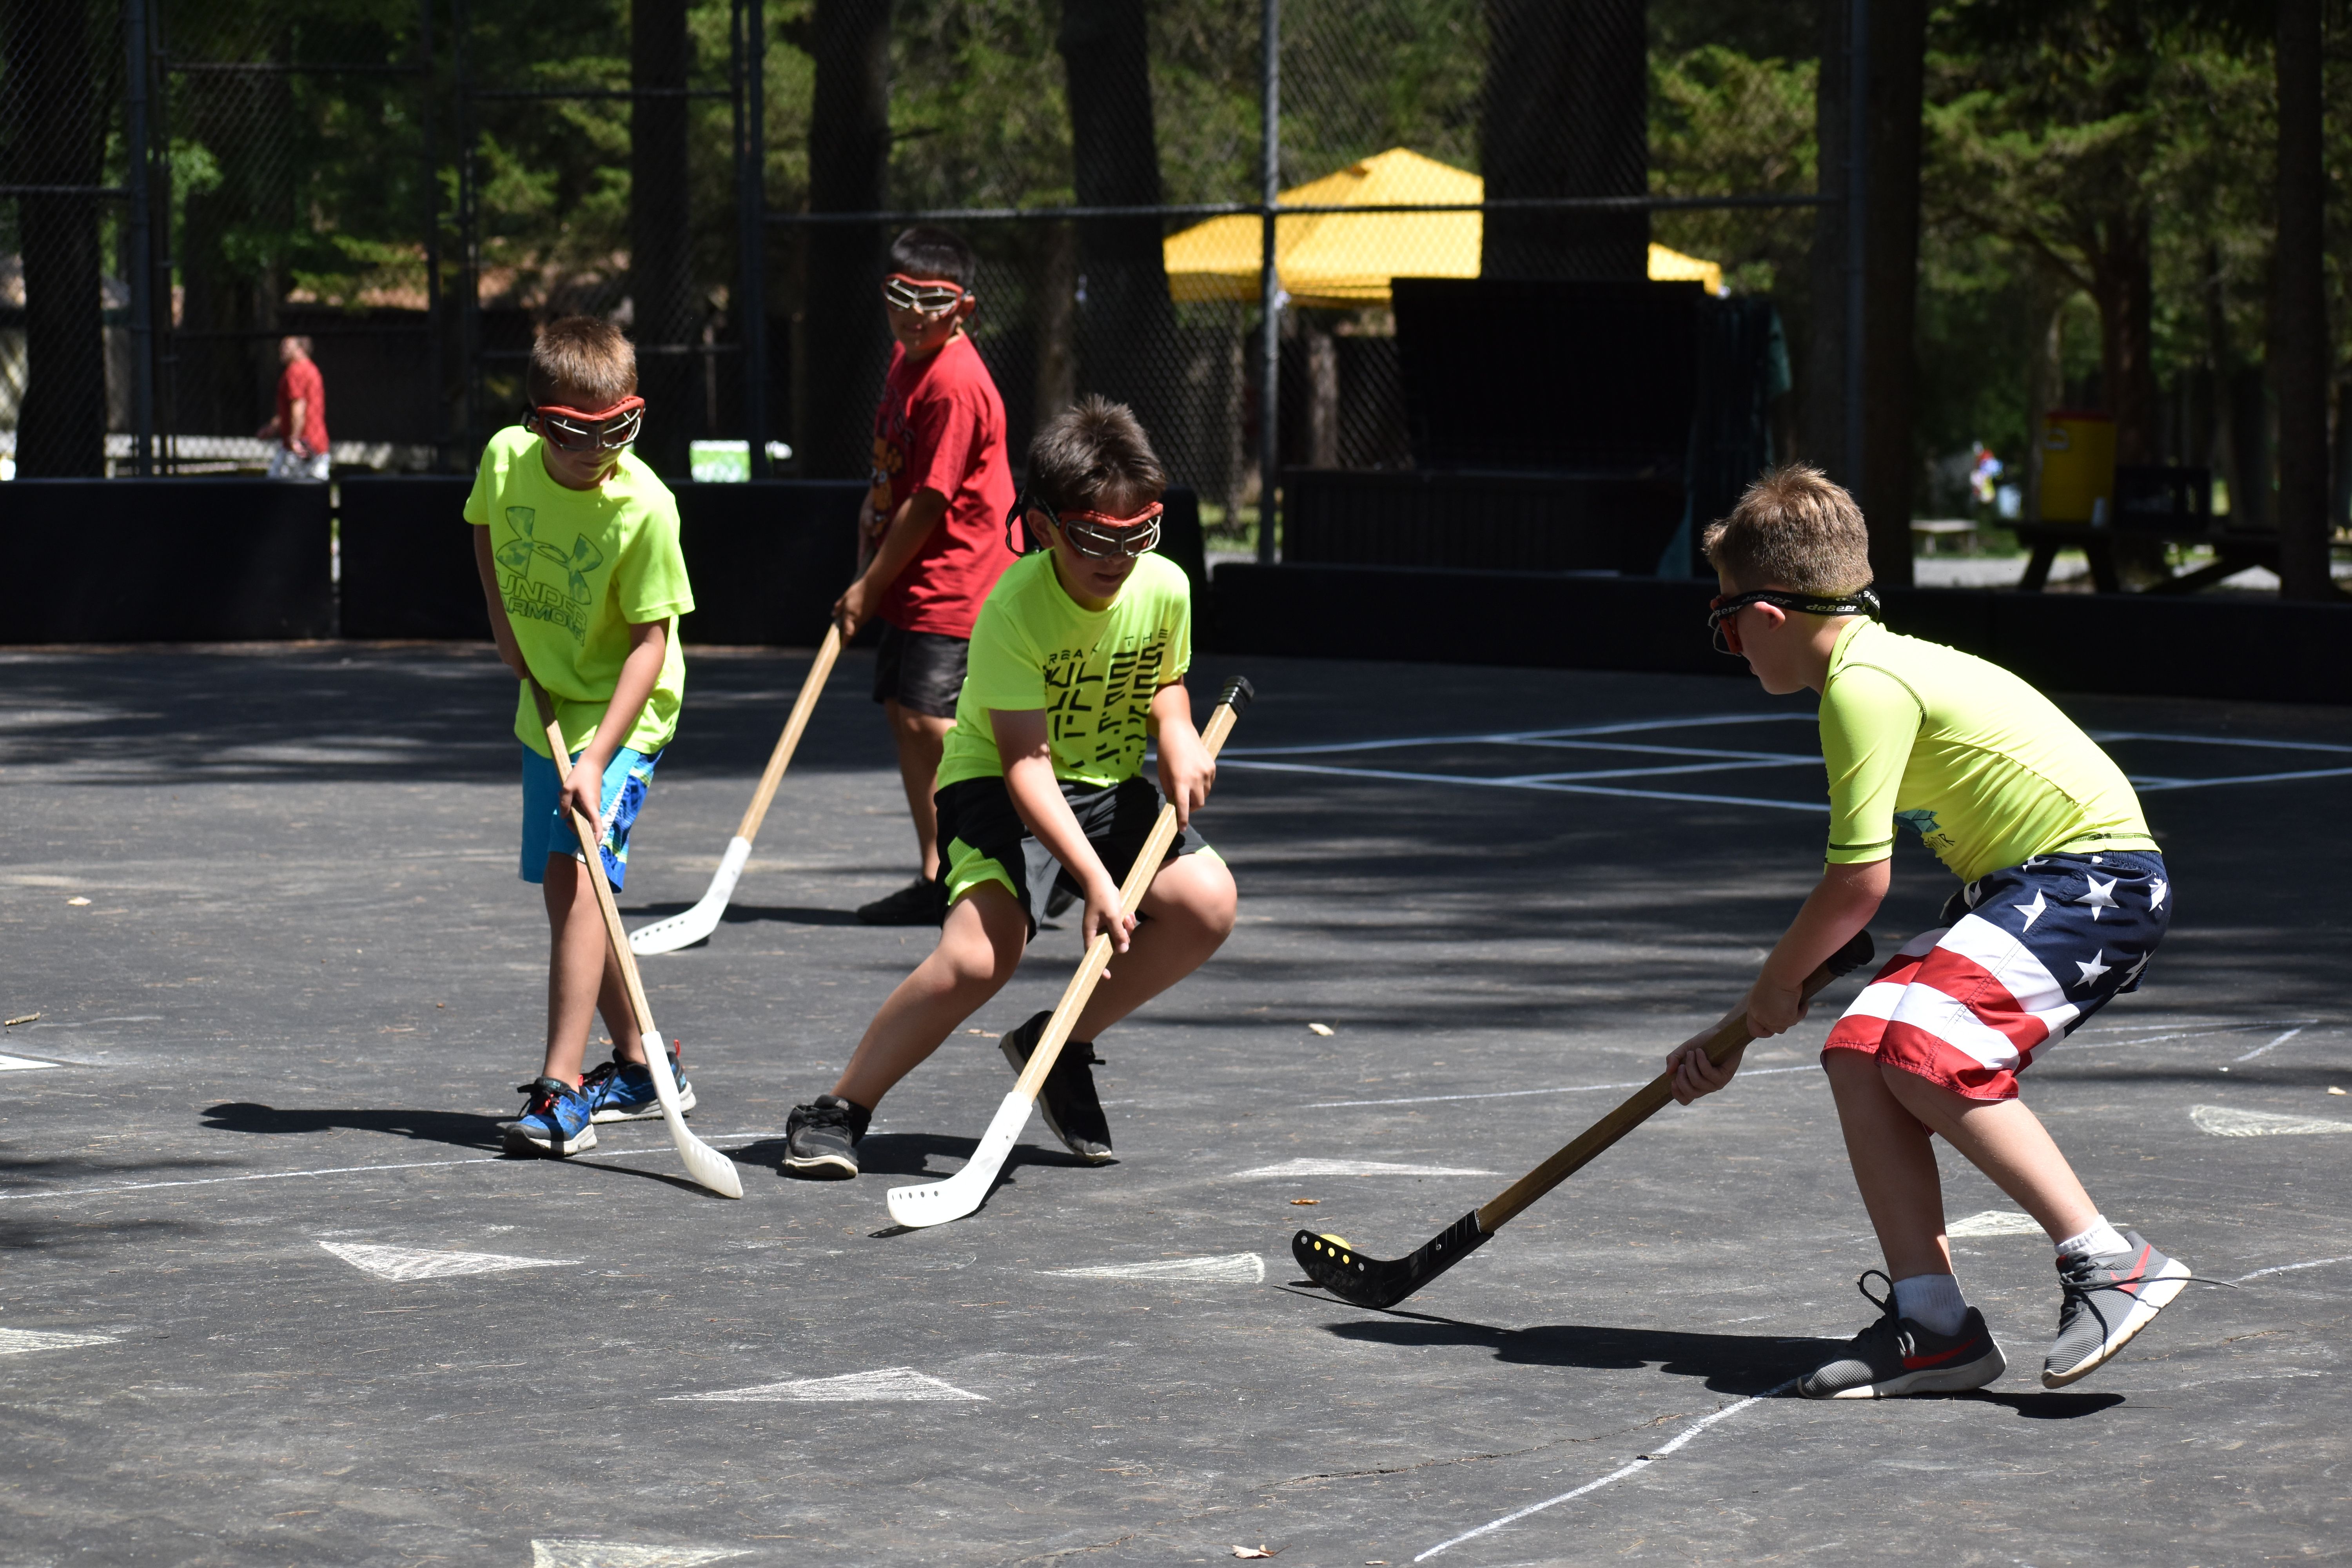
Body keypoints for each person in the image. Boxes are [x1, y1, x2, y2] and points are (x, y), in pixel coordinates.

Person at [1668, 464, 2188, 1398]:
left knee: (1927, 1045)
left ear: (1769, 615)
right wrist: (1768, 1001)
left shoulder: (1859, 687)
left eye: (1725, 620)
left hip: (2092, 880)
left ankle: (2109, 1260)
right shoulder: (1876, 665)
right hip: (2028, 883)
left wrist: (1764, 993)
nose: (1732, 643)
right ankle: (1935, 1325)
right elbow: (1852, 905)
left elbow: (1858, 884)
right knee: (1862, 1048)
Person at [783, 397, 1236, 1179]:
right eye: (1097, 536)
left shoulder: (1165, 586)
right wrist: (1095, 879)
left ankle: (1059, 1041)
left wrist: (1178, 734)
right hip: (1000, 785)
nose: (1119, 556)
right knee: (979, 959)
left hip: (1106, 785)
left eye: (1141, 534)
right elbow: (1025, 765)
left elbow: (1165, 680)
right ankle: (839, 1106)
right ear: (1047, 525)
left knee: (1208, 903)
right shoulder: (1014, 609)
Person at [468, 316, 699, 1157]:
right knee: (572, 896)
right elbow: (485, 526)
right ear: (538, 421)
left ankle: (562, 1089)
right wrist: (504, 629)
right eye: (575, 434)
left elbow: (651, 644)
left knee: (579, 874)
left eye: (621, 430)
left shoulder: (644, 508)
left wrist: (601, 756)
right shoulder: (504, 458)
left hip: (625, 715)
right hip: (550, 704)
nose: (598, 451)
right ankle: (642, 1064)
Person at [832, 225, 1017, 926]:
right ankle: (940, 873)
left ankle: (1011, 852)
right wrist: (868, 523)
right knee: (905, 715)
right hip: (913, 567)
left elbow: (932, 499)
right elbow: (897, 471)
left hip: (959, 572)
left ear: (963, 309)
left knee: (934, 721)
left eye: (932, 301)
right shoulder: (906, 357)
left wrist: (870, 583)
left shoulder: (956, 384)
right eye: (899, 295)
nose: (913, 312)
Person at [258, 335, 330, 480]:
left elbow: (299, 407)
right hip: (318, 443)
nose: (281, 349)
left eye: (287, 346)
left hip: (300, 445)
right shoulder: (312, 369)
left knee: (274, 487)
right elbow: (291, 410)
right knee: (314, 489)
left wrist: (295, 440)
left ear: (300, 350)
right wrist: (273, 428)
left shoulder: (296, 371)